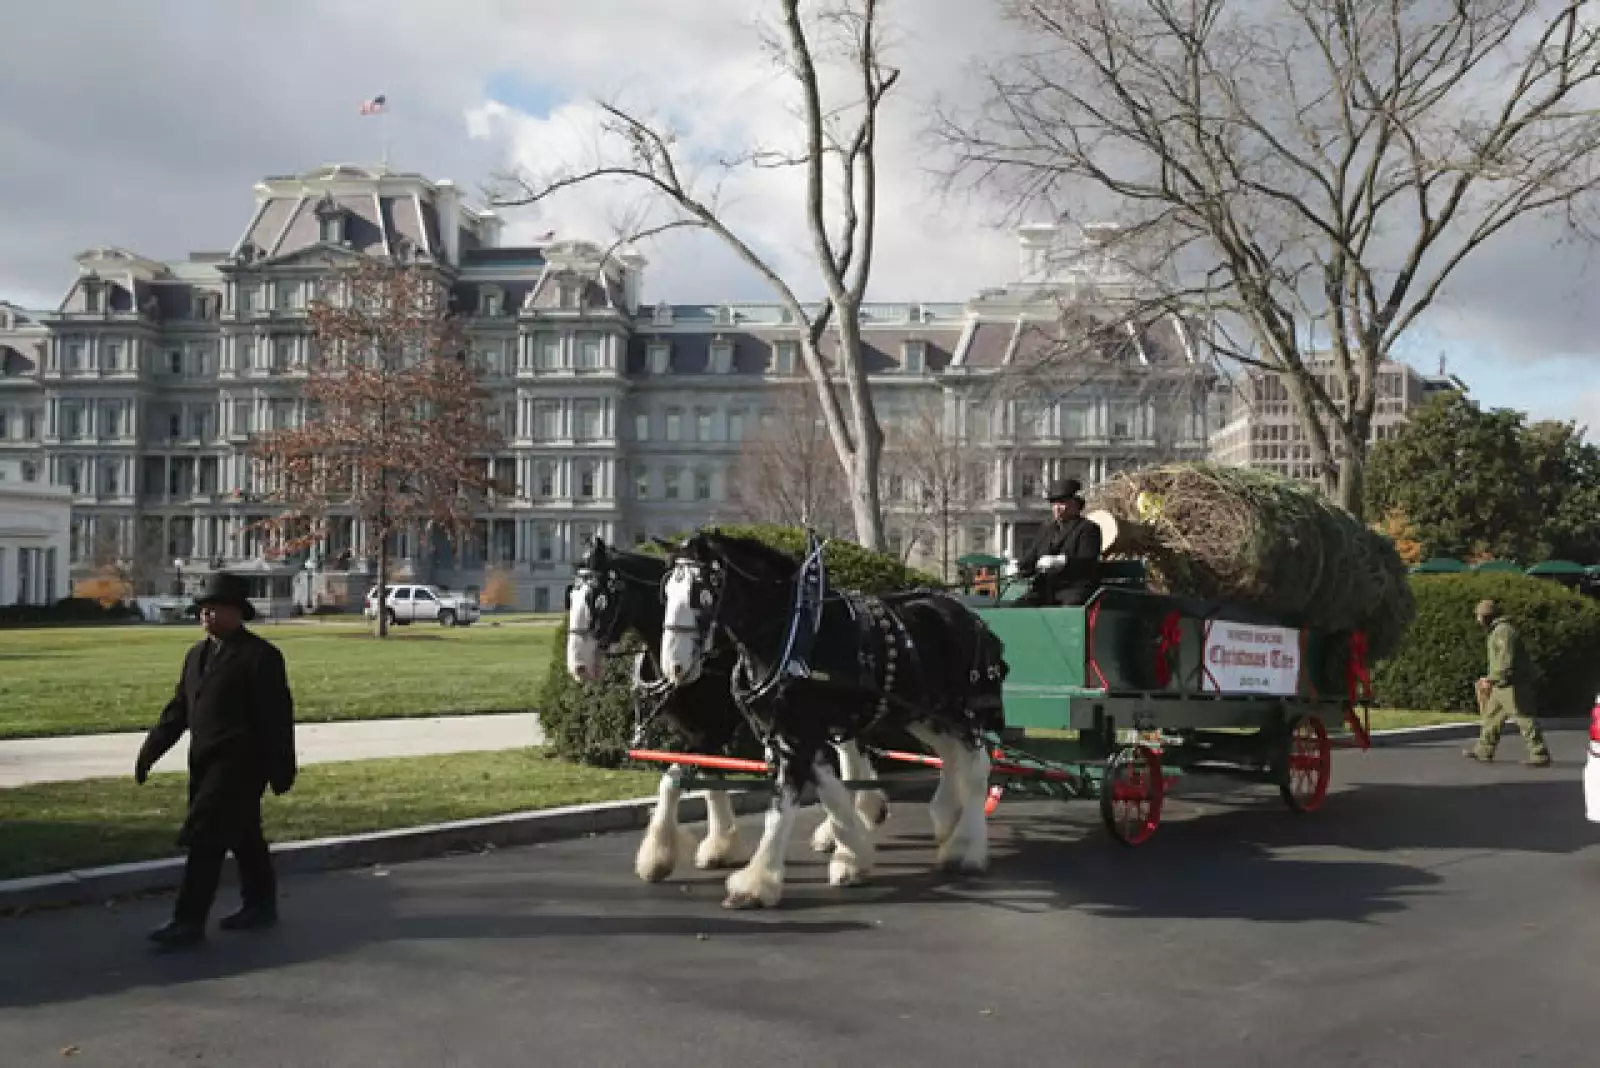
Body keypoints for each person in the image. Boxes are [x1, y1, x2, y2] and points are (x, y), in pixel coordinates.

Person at [136, 572, 298, 949]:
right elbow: (178, 710)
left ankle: (188, 921)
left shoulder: (260, 657)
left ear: (236, 612)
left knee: (205, 837)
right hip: (204, 762)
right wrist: (151, 751)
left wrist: (281, 769)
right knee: (244, 835)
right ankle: (260, 904)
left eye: (216, 609)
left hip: (241, 765)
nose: (207, 616)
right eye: (203, 609)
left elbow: (276, 718)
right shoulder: (197, 656)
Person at [1464, 599, 1551, 767]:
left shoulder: (1503, 632)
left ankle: (1539, 754)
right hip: (1501, 684)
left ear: (1487, 616)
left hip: (1513, 684)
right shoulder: (1497, 631)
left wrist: (1490, 678)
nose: (1477, 620)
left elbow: (1506, 661)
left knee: (1524, 718)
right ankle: (1484, 750)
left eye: (1479, 616)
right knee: (1492, 718)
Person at [1007, 478, 1103, 606]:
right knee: (1017, 607)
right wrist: (1018, 567)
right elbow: (1032, 557)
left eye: (1062, 503)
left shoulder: (1088, 529)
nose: (1057, 508)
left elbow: (1088, 563)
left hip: (1073, 589)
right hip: (1045, 589)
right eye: (1054, 503)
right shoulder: (1046, 530)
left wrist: (1062, 562)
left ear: (1076, 504)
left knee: (1069, 606)